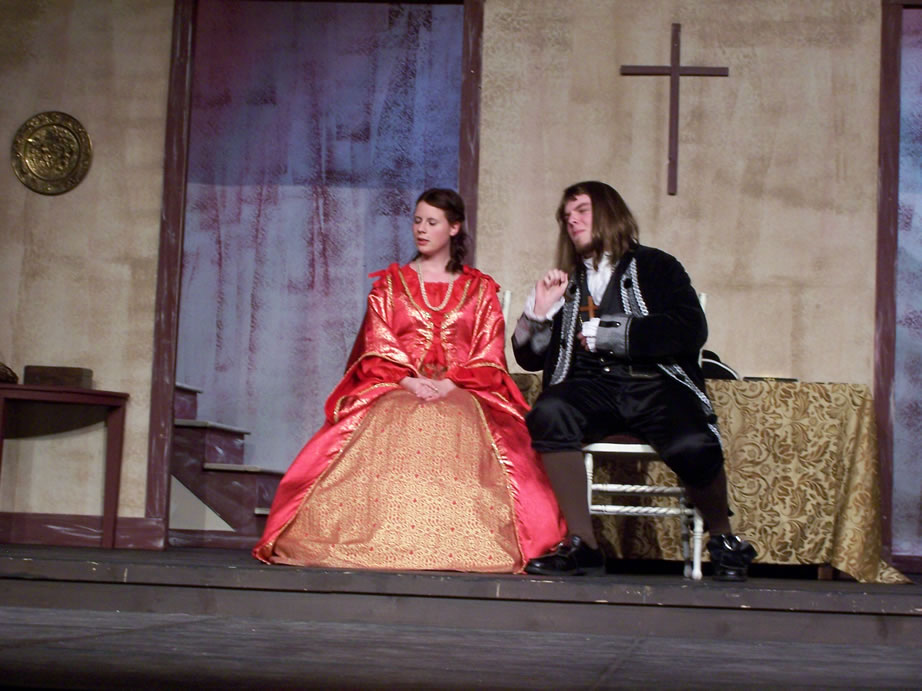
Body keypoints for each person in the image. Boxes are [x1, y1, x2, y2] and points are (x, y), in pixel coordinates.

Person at [253, 188, 566, 572]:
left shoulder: (480, 289)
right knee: (398, 418)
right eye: (417, 221)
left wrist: (451, 384)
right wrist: (410, 382)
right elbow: (377, 345)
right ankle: (380, 537)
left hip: (462, 390)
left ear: (454, 228)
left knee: (455, 419)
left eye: (432, 222)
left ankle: (462, 541)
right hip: (400, 387)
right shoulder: (390, 285)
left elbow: (488, 351)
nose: (421, 229)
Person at [512, 181, 756, 581]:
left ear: (609, 212)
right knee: (550, 411)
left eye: (582, 210)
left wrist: (616, 333)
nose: (572, 221)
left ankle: (723, 539)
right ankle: (583, 545)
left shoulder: (657, 266)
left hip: (654, 384)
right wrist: (536, 316)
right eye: (566, 216)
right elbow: (529, 358)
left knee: (693, 441)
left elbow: (691, 328)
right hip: (591, 387)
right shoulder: (567, 281)